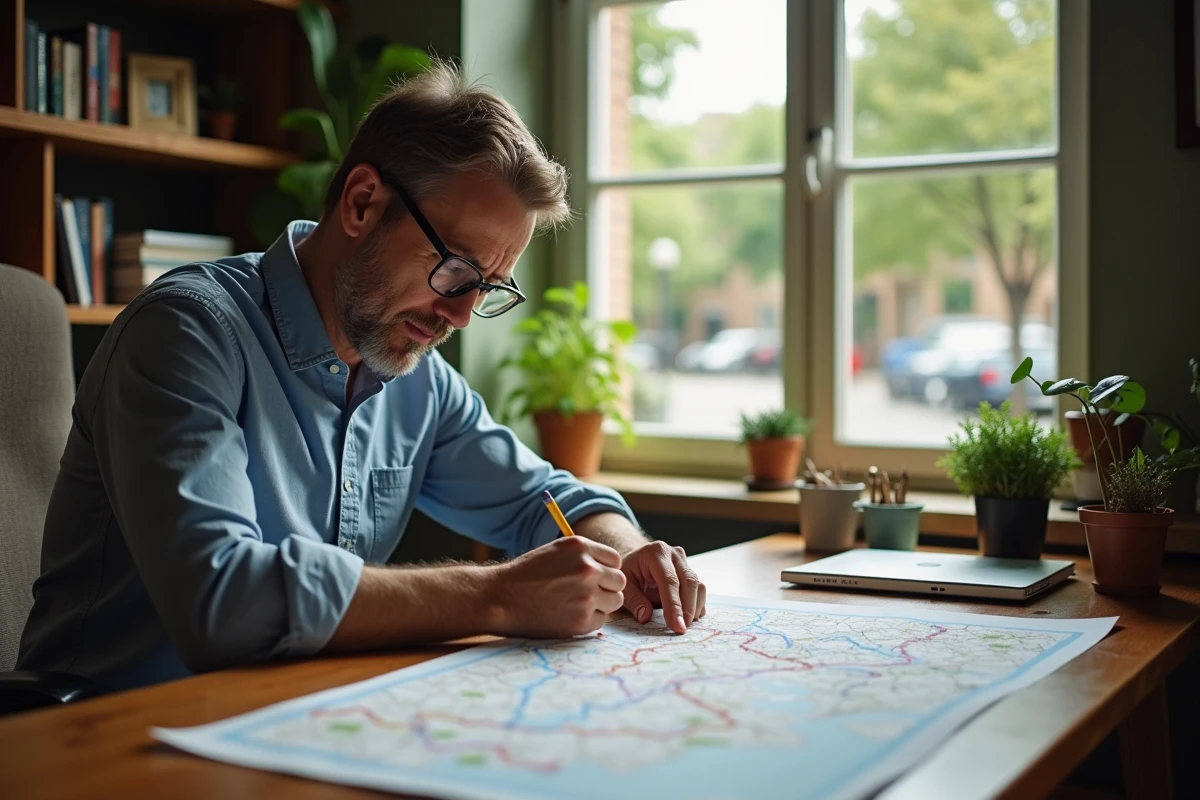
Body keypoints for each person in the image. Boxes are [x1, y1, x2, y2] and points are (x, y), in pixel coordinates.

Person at [18, 62, 706, 691]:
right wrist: (497, 595)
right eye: (456, 271)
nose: (462, 316)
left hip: (284, 722)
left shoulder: (416, 381)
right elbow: (218, 600)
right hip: (107, 735)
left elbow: (542, 501)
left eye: (489, 287)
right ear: (361, 203)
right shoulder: (187, 333)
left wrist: (629, 549)